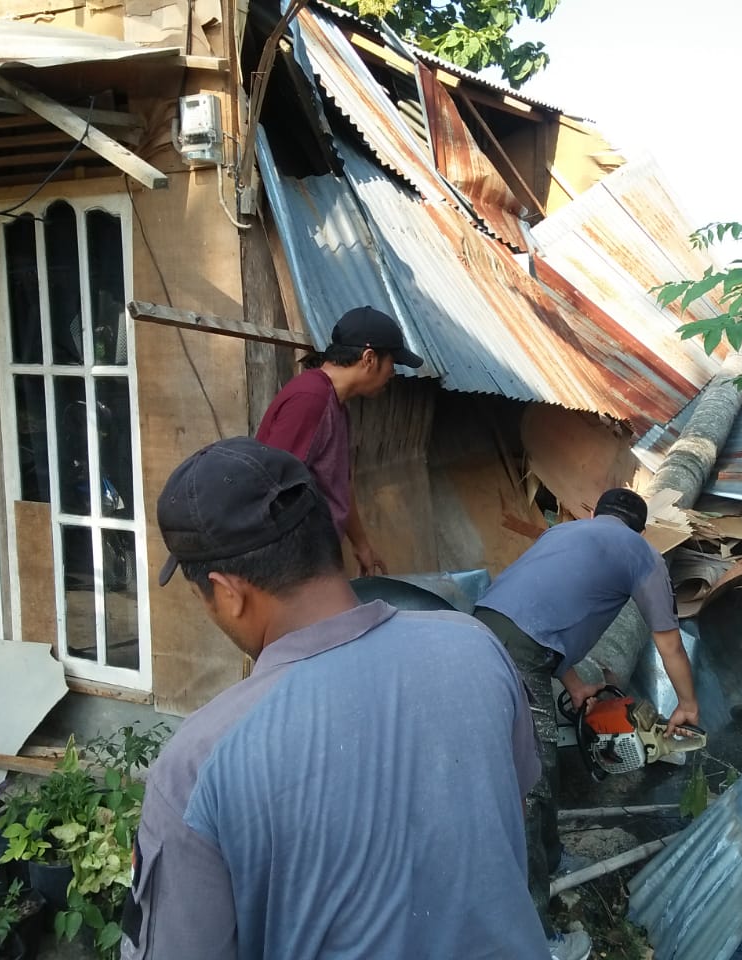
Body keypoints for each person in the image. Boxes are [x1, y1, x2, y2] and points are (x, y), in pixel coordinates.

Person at [121, 437, 548, 960]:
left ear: (227, 592)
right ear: (327, 542)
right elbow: (510, 825)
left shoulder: (198, 764)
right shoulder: (476, 647)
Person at [472, 489, 700, 960]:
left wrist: (574, 684)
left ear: (596, 513)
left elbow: (539, 611)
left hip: (478, 632)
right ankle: (536, 940)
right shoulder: (643, 555)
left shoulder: (564, 532)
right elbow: (670, 644)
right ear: (641, 530)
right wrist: (687, 704)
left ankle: (552, 860)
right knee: (530, 785)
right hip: (519, 655)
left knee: (534, 769)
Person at [255, 305, 423, 576]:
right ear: (369, 358)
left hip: (315, 557)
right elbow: (273, 488)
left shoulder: (336, 404)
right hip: (293, 563)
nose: (392, 374)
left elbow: (339, 482)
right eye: (392, 364)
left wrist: (361, 544)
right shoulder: (310, 399)